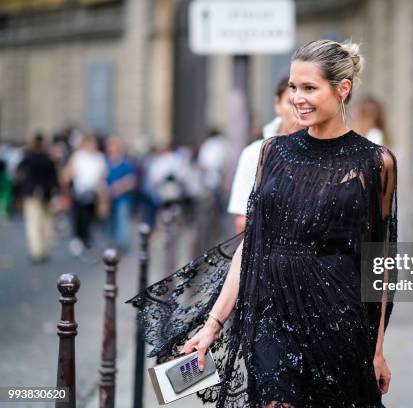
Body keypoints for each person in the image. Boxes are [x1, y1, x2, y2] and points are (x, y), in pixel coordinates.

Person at [127, 39, 398, 408]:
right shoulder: (272, 152)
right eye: (293, 87)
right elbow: (252, 244)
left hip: (337, 318)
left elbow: (379, 263)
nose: (297, 99)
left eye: (309, 88)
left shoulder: (375, 163)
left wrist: (377, 348)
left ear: (342, 88)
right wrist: (212, 325)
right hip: (272, 313)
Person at [227, 76, 304, 233]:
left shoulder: (338, 154)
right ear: (277, 104)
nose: (299, 110)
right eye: (291, 103)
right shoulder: (255, 153)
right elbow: (241, 220)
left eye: (304, 103)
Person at [15, 134, 59, 262]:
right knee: (47, 222)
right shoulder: (48, 159)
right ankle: (45, 248)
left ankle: (36, 251)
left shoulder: (28, 158)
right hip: (46, 194)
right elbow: (54, 179)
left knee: (33, 223)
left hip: (31, 194)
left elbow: (18, 174)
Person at [62, 134, 107, 256]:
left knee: (90, 218)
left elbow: (103, 175)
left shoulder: (99, 157)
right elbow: (68, 174)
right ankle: (79, 239)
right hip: (79, 193)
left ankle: (87, 240)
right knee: (79, 217)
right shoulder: (78, 156)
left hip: (93, 193)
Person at [105, 136, 136, 252]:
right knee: (110, 223)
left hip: (122, 198)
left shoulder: (125, 163)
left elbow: (131, 181)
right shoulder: (106, 162)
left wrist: (118, 187)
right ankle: (112, 243)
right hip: (109, 198)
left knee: (122, 221)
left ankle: (122, 245)